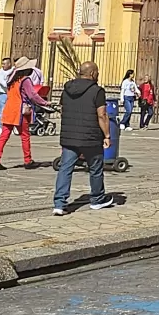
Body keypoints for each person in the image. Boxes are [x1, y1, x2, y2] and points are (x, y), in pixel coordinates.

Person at [53, 61, 116, 215]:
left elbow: (63, 109)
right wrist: (107, 135)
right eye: (98, 73)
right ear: (93, 74)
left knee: (65, 169)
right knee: (95, 168)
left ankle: (59, 203)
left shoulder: (67, 88)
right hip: (90, 136)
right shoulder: (97, 91)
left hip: (69, 136)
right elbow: (102, 115)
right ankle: (97, 199)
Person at [0, 58, 45, 169]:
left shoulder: (11, 79)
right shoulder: (25, 80)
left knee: (4, 136)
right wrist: (45, 103)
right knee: (25, 136)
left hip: (9, 109)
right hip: (20, 111)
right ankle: (28, 160)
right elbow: (32, 95)